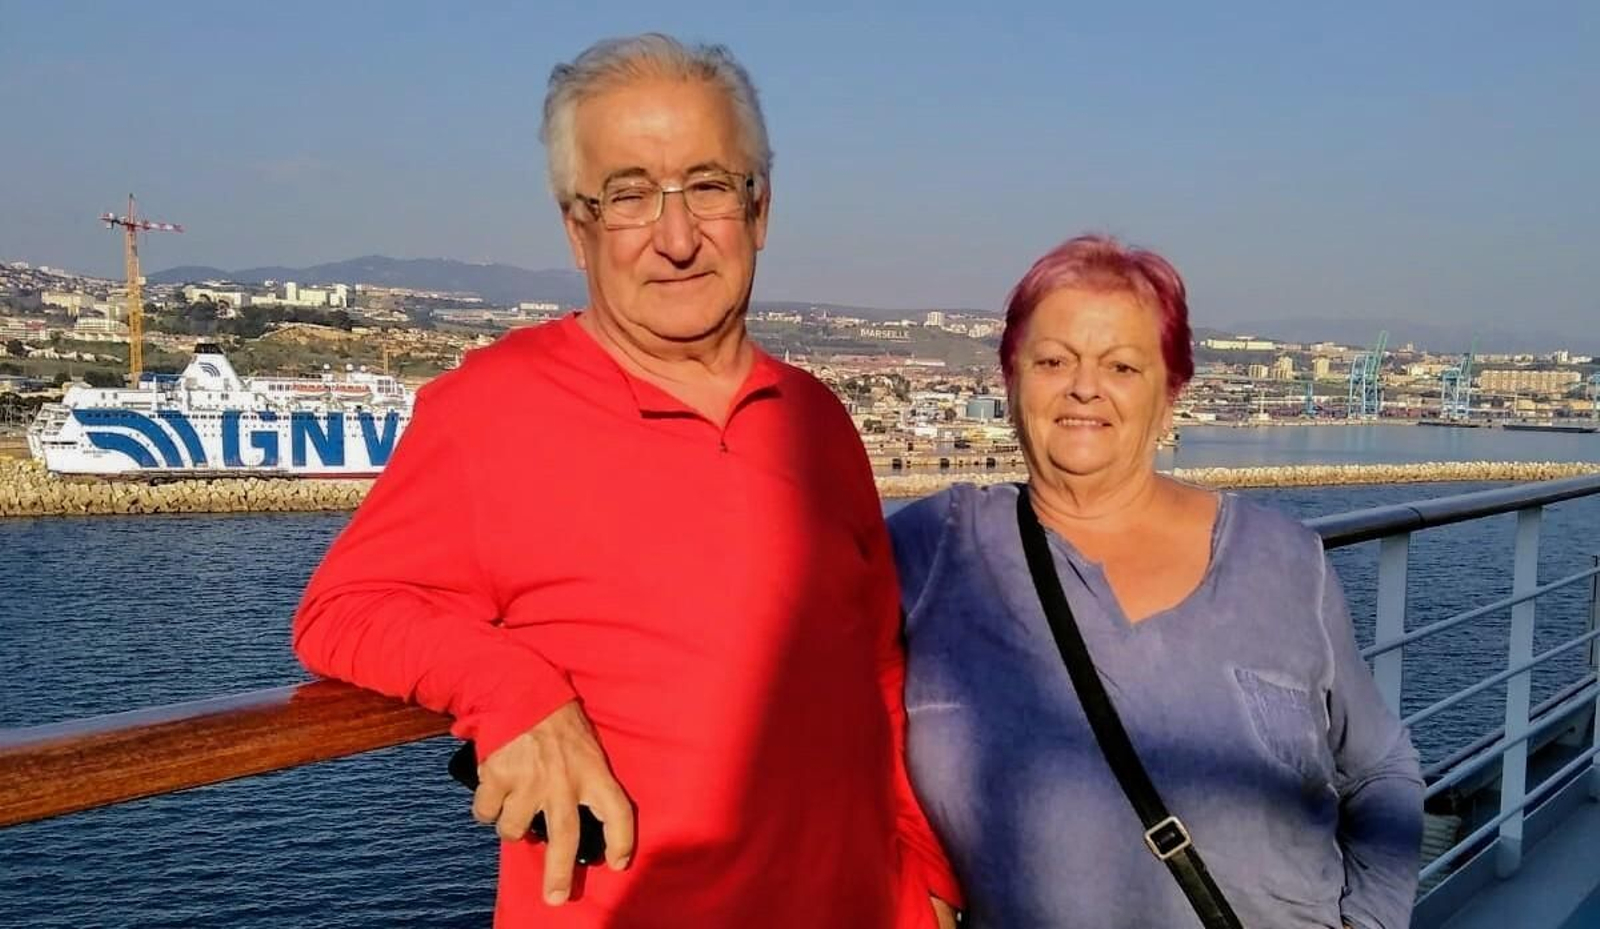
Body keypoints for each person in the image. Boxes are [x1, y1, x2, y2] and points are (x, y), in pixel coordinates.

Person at [293, 34, 958, 929]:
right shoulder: (493, 407)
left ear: (759, 209)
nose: (677, 239)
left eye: (708, 186)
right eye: (630, 196)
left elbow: (876, 669)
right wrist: (512, 690)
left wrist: (926, 879)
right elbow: (341, 610)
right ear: (579, 229)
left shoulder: (817, 421)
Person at [889, 235, 1423, 928]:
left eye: (1122, 365)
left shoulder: (1285, 562)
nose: (1085, 387)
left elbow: (1380, 768)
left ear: (1170, 394)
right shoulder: (937, 548)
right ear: (1009, 379)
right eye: (1053, 361)